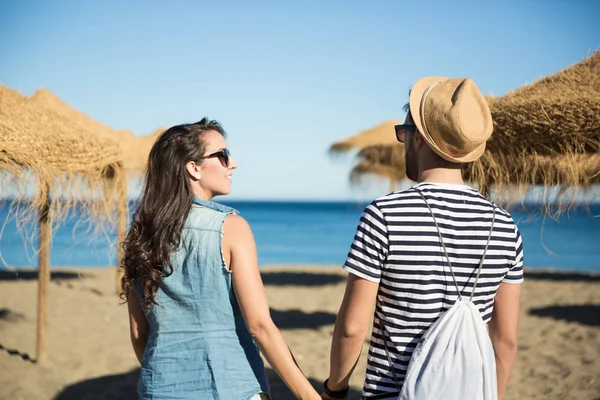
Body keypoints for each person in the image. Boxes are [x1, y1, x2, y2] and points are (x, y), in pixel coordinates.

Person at [322, 77, 523, 400]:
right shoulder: (505, 226)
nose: (402, 142)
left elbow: (352, 328)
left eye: (404, 132)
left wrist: (335, 389)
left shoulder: (384, 215)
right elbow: (506, 342)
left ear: (420, 139)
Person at [120, 118, 320, 400]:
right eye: (223, 155)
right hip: (230, 387)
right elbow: (260, 326)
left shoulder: (141, 234)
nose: (233, 163)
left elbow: (140, 332)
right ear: (193, 168)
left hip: (159, 388)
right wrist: (310, 397)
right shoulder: (230, 228)